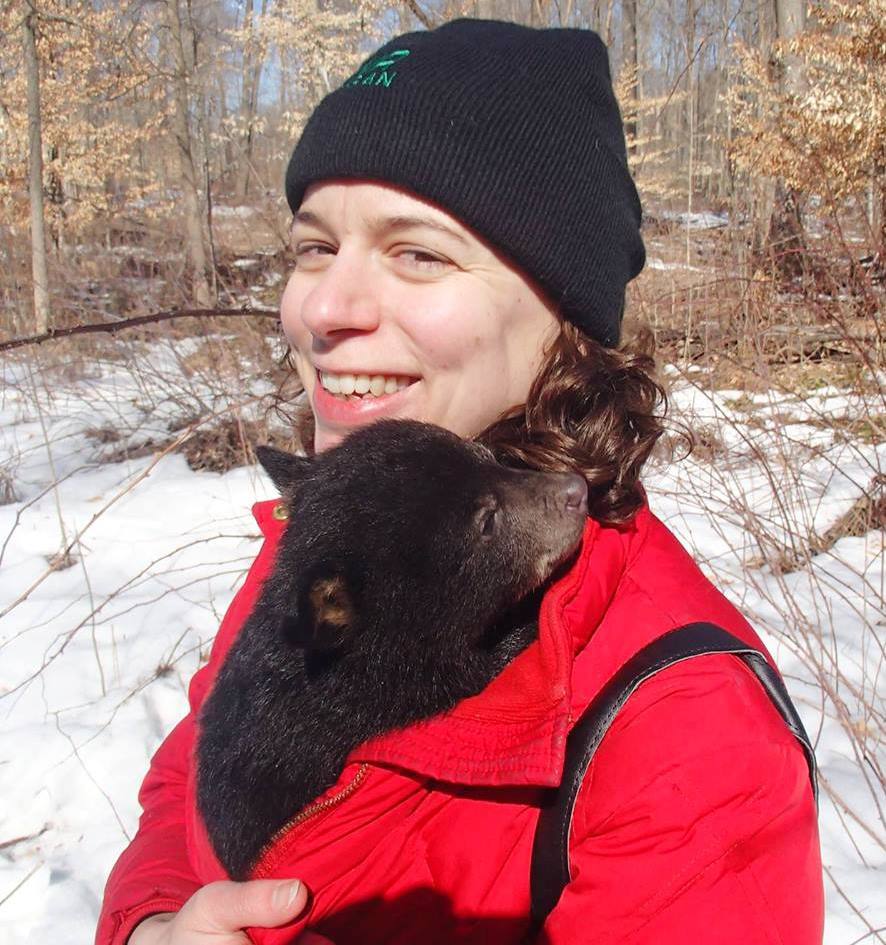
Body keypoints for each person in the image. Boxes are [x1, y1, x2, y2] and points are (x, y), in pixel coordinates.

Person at [96, 19, 823, 945]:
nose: (323, 308)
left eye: (419, 253)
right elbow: (196, 770)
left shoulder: (685, 734)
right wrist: (157, 922)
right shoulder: (352, 526)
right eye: (314, 247)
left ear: (564, 316)